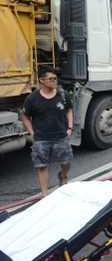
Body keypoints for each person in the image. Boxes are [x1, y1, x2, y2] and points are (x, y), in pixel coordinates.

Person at [21, 66, 73, 196]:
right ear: (42, 81)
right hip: (41, 138)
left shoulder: (63, 95)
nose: (55, 81)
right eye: (51, 79)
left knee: (66, 162)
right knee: (42, 166)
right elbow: (24, 116)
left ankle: (63, 176)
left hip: (61, 136)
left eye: (55, 78)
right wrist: (32, 133)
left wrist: (70, 127)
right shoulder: (32, 99)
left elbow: (69, 110)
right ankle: (45, 194)